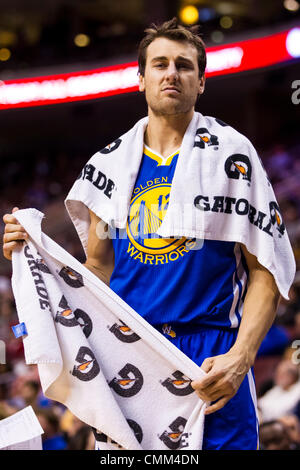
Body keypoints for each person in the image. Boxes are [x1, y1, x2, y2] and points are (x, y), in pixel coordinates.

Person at [2, 18, 294, 450]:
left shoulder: (234, 154)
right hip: (133, 356)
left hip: (213, 356)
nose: (171, 73)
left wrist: (241, 357)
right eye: (159, 64)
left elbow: (265, 268)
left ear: (201, 83)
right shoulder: (107, 166)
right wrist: (35, 260)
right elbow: (98, 268)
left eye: (184, 65)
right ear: (141, 79)